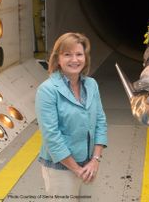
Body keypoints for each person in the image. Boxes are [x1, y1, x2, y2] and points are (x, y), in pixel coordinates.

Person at [35, 32, 107, 201]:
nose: (74, 60)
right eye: (67, 54)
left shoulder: (91, 85)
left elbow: (100, 122)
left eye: (79, 54)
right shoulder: (47, 90)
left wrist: (95, 160)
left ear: (85, 58)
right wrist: (76, 170)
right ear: (57, 59)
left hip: (89, 164)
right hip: (60, 168)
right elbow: (51, 136)